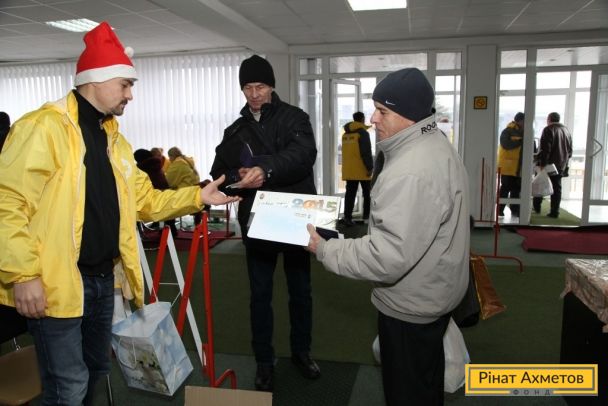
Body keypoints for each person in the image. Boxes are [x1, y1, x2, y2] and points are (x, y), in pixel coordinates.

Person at [0, 21, 239, 406]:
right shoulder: (42, 128)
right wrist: (24, 275)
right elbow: (7, 203)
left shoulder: (114, 138)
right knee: (68, 386)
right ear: (96, 79)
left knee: (96, 371)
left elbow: (144, 200)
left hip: (102, 281)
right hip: (57, 282)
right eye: (125, 85)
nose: (130, 95)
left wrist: (197, 196)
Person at [306, 68, 470, 406]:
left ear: (409, 115)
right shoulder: (433, 142)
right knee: (424, 383)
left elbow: (387, 256)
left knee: (408, 392)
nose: (373, 119)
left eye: (382, 111)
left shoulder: (412, 170)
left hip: (412, 304)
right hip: (431, 292)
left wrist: (326, 249)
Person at [210, 54, 319, 392]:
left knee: (300, 291)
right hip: (257, 221)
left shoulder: (295, 118)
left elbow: (303, 155)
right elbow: (219, 175)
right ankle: (263, 361)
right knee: (260, 295)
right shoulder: (235, 130)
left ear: (271, 86)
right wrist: (237, 175)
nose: (254, 94)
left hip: (295, 216)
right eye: (248, 87)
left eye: (260, 86)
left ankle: (301, 352)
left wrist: (265, 169)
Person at [533, 112, 573, 218]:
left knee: (540, 183)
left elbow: (546, 149)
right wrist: (565, 161)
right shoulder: (566, 130)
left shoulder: (548, 129)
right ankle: (555, 211)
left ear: (549, 119)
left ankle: (537, 207)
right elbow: (570, 151)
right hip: (561, 164)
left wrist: (542, 163)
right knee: (557, 188)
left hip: (549, 164)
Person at [339, 111, 373, 226]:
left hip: (349, 170)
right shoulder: (363, 133)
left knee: (350, 194)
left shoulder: (345, 134)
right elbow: (366, 152)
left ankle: (347, 217)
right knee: (367, 194)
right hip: (362, 169)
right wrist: (369, 167)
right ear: (362, 119)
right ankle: (366, 218)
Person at [497, 112, 525, 217]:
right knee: (505, 188)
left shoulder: (525, 132)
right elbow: (506, 144)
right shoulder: (507, 131)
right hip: (508, 167)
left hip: (519, 167)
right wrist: (521, 141)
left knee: (516, 190)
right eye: (524, 121)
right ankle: (500, 210)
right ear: (520, 121)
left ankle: (515, 210)